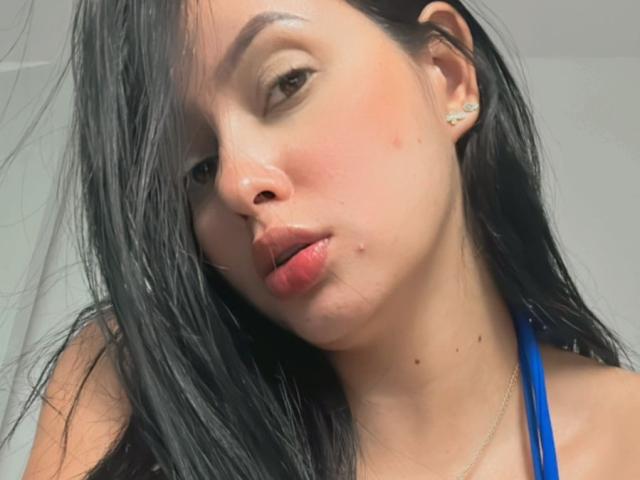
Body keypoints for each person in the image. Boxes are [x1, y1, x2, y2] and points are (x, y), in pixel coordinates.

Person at [4, 0, 639, 478]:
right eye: (198, 168)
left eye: (287, 83)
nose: (236, 183)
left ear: (447, 76)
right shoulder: (129, 388)